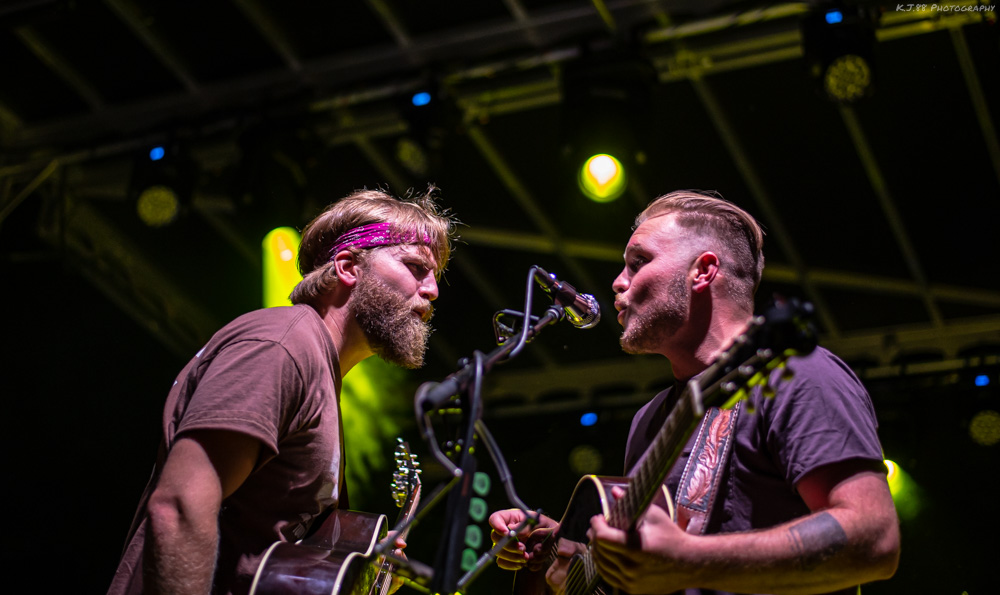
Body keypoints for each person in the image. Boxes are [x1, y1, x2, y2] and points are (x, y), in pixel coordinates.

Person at [489, 190, 900, 595]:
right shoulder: (649, 420)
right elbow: (656, 560)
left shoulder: (799, 375)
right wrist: (569, 552)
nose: (617, 282)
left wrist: (690, 559)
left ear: (702, 272)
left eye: (639, 262)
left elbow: (874, 539)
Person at [108, 187, 457, 595]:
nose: (432, 290)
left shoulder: (320, 370)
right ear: (348, 267)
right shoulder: (282, 346)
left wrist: (359, 574)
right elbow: (181, 506)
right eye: (415, 267)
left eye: (434, 276)